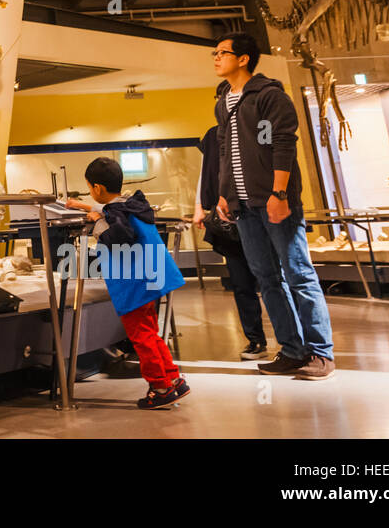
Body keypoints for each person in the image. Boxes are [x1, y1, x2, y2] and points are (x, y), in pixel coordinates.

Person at [212, 32, 335, 380]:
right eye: (215, 53)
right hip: (244, 206)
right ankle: (293, 351)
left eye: (222, 53)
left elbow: (283, 144)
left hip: (274, 202)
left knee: (298, 274)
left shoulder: (269, 96)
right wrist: (225, 194)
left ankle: (321, 354)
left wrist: (279, 194)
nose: (216, 58)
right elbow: (225, 151)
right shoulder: (224, 102)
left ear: (243, 59)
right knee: (266, 278)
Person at [81, 156, 189, 409]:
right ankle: (173, 378)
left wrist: (97, 221)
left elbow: (118, 238)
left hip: (134, 283)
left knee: (141, 336)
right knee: (151, 332)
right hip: (150, 279)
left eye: (89, 188)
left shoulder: (114, 213)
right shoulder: (131, 205)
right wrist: (90, 210)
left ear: (96, 188)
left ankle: (160, 388)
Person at [194, 125, 269, 360]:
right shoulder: (214, 135)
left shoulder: (256, 128)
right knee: (241, 282)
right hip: (232, 221)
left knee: (272, 280)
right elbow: (206, 171)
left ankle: (293, 341)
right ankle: (256, 339)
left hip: (260, 214)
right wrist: (199, 206)